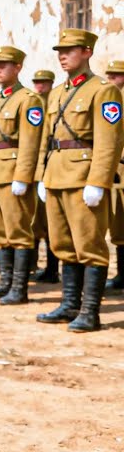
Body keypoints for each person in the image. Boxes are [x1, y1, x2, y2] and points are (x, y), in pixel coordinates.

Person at [35, 30, 124, 332]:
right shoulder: (57, 93)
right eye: (60, 51)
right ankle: (70, 304)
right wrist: (43, 176)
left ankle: (90, 312)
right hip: (57, 175)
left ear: (87, 52)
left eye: (70, 50)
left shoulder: (103, 91)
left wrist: (98, 181)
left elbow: (109, 142)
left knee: (90, 245)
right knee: (63, 244)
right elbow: (49, 139)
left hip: (83, 177)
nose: (62, 56)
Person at [0, 46, 43, 305]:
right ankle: (4, 282)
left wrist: (23, 176)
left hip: (13, 171)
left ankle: (19, 288)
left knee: (18, 231)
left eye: (4, 65)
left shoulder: (28, 99)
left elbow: (30, 142)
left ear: (17, 67)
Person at [30, 69, 60, 284]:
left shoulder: (53, 104)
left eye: (44, 82)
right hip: (33, 169)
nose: (40, 86)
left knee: (51, 224)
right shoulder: (32, 103)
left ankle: (52, 269)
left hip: (50, 168)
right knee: (33, 222)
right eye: (37, 82)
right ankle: (31, 265)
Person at [104, 59, 124, 291]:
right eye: (108, 75)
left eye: (115, 75)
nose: (110, 79)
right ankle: (121, 274)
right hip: (117, 171)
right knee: (118, 226)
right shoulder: (110, 100)